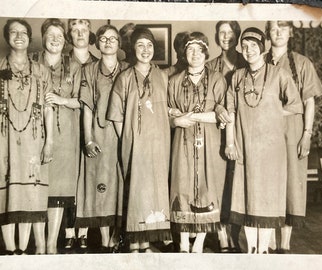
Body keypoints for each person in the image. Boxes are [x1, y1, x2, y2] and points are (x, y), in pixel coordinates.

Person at [224, 27, 303, 254]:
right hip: (244, 147)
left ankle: (264, 251)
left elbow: (295, 105)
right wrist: (230, 142)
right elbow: (230, 111)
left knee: (267, 199)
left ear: (263, 47)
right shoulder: (237, 77)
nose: (249, 51)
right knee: (246, 198)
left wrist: (272, 114)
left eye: (253, 46)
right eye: (245, 46)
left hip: (270, 150)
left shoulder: (279, 75)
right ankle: (251, 250)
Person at [107, 27, 172, 253]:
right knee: (136, 191)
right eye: (140, 45)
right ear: (133, 49)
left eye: (150, 45)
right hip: (134, 146)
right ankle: (135, 242)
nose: (146, 50)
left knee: (155, 190)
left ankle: (148, 242)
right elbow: (115, 117)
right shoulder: (124, 78)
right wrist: (129, 139)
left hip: (159, 145)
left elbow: (170, 110)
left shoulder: (163, 76)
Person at [265, 21, 322, 253]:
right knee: (267, 183)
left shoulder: (301, 63)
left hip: (293, 130)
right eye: (273, 28)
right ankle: (267, 243)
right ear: (268, 33)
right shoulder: (259, 60)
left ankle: (285, 245)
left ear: (291, 32)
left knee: (291, 185)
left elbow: (309, 101)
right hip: (265, 132)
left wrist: (307, 134)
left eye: (283, 27)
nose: (278, 32)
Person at [168, 32, 226, 253]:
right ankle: (183, 244)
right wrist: (175, 119)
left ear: (206, 53)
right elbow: (167, 114)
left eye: (199, 50)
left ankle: (199, 244)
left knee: (207, 188)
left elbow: (220, 114)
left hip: (209, 143)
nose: (194, 54)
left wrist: (189, 116)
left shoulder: (217, 79)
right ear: (184, 53)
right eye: (190, 49)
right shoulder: (174, 81)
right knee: (181, 186)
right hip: (182, 143)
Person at [0, 19, 53, 255]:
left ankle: (23, 249)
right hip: (4, 139)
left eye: (24, 32)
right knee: (6, 191)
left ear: (30, 38)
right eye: (13, 32)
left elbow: (49, 107)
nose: (19, 36)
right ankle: (10, 251)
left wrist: (49, 141)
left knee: (30, 192)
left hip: (34, 140)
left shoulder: (41, 71)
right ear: (6, 37)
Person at [31, 18, 82, 255]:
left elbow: (83, 101)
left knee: (58, 191)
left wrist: (61, 100)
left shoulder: (73, 65)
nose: (55, 39)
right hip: (33, 134)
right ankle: (39, 243)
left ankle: (52, 243)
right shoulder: (31, 61)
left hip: (65, 135)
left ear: (66, 40)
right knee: (36, 187)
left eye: (59, 36)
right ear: (43, 37)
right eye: (50, 35)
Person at [75, 24, 128, 253]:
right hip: (99, 134)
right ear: (97, 43)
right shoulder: (89, 70)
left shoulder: (128, 69)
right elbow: (87, 106)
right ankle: (105, 240)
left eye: (113, 39)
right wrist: (88, 139)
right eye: (104, 38)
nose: (108, 42)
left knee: (122, 184)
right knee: (101, 186)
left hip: (123, 134)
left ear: (119, 43)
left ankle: (118, 238)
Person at [206, 20, 246, 253]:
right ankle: (222, 237)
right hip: (217, 133)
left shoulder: (248, 60)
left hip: (243, 133)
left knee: (240, 185)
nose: (226, 37)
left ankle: (237, 236)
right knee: (221, 185)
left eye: (231, 33)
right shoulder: (210, 66)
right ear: (216, 36)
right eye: (222, 32)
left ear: (238, 36)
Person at [63, 18, 98, 251]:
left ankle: (84, 231)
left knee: (88, 178)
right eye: (75, 31)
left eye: (84, 30)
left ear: (90, 34)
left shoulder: (99, 61)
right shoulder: (63, 62)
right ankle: (68, 232)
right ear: (70, 36)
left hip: (92, 129)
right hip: (67, 127)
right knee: (67, 179)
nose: (79, 34)